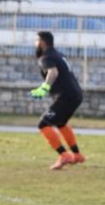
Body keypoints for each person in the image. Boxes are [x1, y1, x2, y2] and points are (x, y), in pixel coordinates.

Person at [30, 30, 86, 170]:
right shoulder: (59, 55)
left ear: (42, 42)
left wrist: (44, 87)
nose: (35, 44)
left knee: (43, 124)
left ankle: (64, 155)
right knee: (61, 123)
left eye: (36, 41)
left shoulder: (46, 57)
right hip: (76, 94)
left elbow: (53, 72)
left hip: (66, 95)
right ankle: (77, 155)